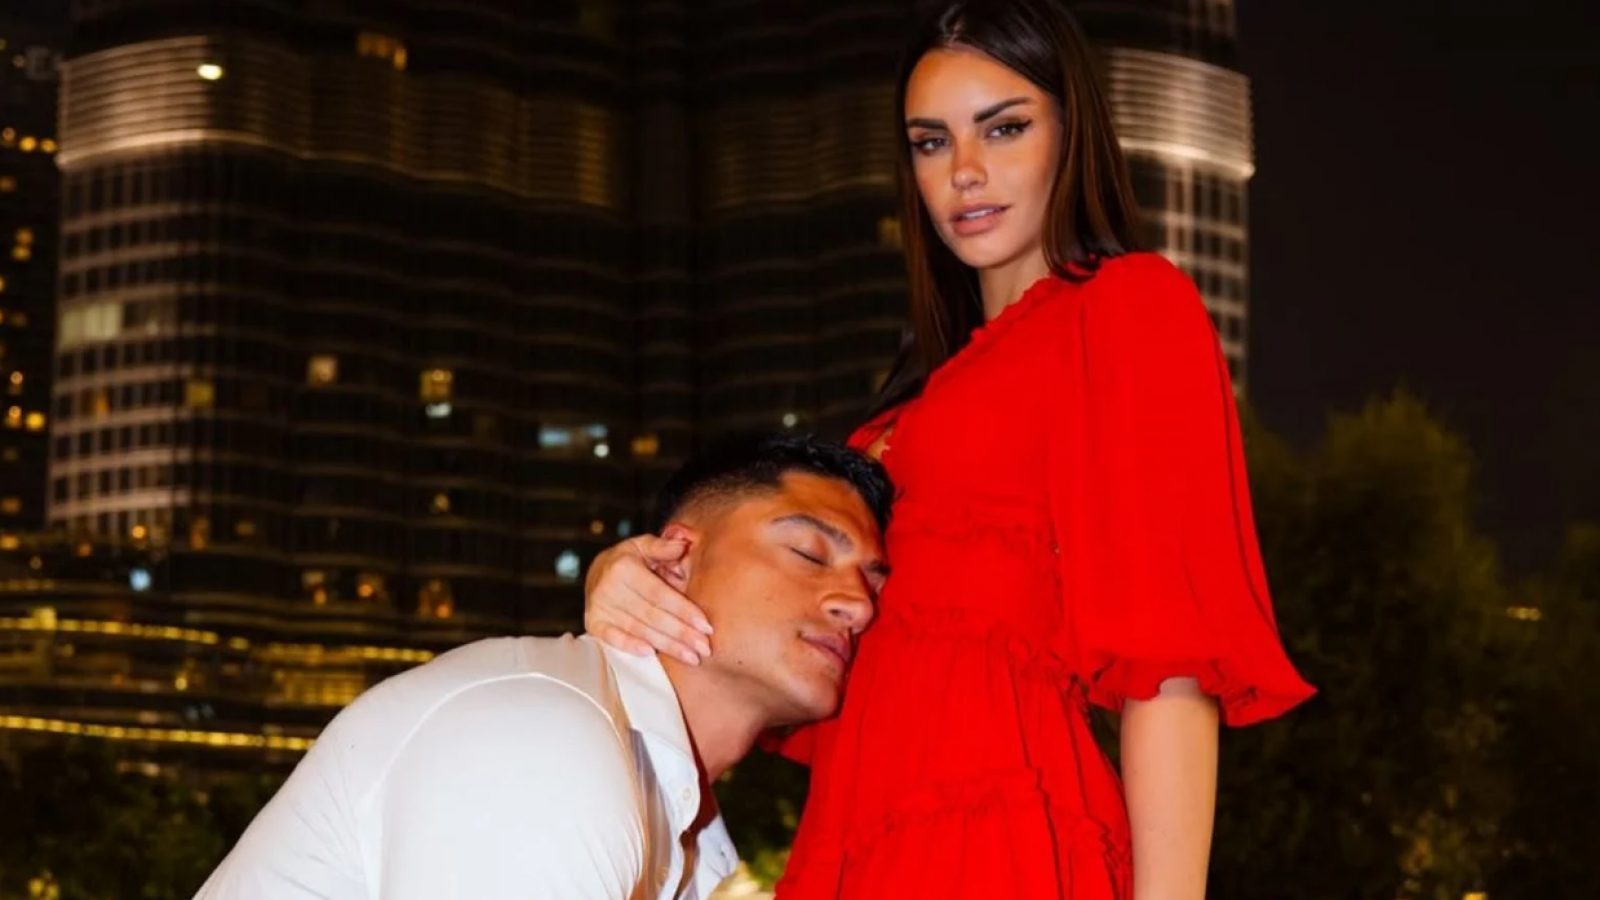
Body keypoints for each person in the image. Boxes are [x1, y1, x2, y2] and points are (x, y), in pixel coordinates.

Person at [581, 2, 1317, 899]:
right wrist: (635, 584)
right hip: (853, 840)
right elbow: (775, 655)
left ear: (1071, 132)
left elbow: (1168, 670)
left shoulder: (1124, 308)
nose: (965, 171)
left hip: (1002, 831)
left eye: (1004, 128)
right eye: (931, 143)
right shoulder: (900, 411)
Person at [191, 433, 893, 900]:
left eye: (873, 582)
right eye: (809, 553)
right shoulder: (544, 732)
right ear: (673, 561)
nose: (857, 605)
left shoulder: (674, 818)